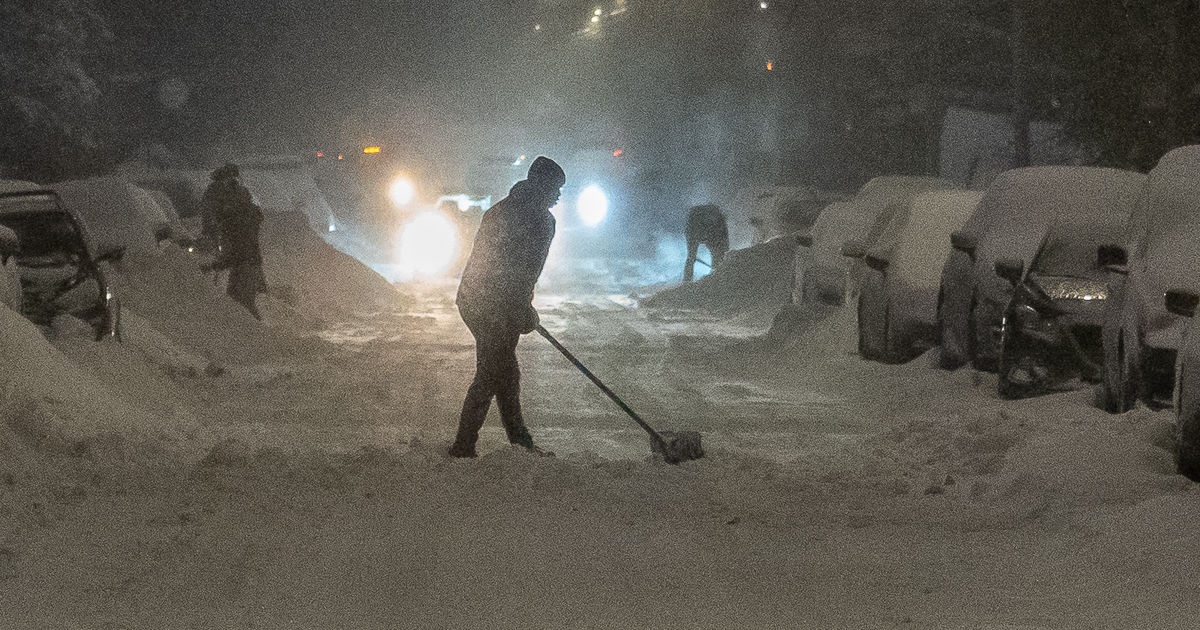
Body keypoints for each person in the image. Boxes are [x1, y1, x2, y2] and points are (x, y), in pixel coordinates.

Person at [449, 156, 565, 458]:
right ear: (540, 185)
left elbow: (524, 274)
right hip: (484, 302)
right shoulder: (531, 220)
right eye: (556, 187)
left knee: (505, 371)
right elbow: (510, 269)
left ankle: (518, 442)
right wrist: (520, 308)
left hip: (482, 299)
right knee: (492, 372)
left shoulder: (505, 211)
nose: (559, 195)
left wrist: (521, 307)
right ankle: (465, 446)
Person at [200, 163, 266, 319]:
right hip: (248, 263)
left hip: (245, 265)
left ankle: (258, 335)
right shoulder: (243, 211)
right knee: (239, 301)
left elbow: (236, 251)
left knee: (241, 303)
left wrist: (215, 265)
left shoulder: (235, 221)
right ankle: (256, 333)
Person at [684, 203, 729, 282]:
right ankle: (687, 282)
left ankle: (717, 276)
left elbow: (724, 249)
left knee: (718, 256)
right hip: (698, 226)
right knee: (691, 257)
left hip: (710, 228)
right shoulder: (694, 224)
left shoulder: (719, 225)